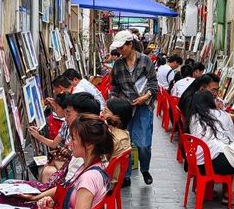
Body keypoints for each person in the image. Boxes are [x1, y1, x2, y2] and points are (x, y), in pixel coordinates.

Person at [109, 29, 158, 186]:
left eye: (122, 47)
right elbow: (115, 85)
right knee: (125, 143)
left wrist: (146, 96)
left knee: (143, 143)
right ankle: (126, 175)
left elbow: (153, 83)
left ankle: (145, 169)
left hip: (143, 106)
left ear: (130, 45)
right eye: (118, 48)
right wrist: (113, 99)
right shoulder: (117, 65)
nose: (119, 51)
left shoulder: (145, 61)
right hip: (125, 107)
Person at [189, 91, 234, 205]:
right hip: (212, 164)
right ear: (210, 101)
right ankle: (230, 193)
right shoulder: (220, 114)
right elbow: (231, 138)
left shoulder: (194, 117)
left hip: (196, 164)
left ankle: (224, 191)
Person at [29, 93, 100, 184]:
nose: (68, 143)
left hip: (70, 178)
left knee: (47, 172)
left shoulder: (88, 140)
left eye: (68, 114)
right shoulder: (73, 128)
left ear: (82, 116)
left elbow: (70, 181)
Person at [101, 96, 132, 184]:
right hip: (112, 178)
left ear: (116, 117)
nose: (102, 112)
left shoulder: (115, 138)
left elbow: (102, 159)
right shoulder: (123, 132)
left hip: (108, 182)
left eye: (105, 111)